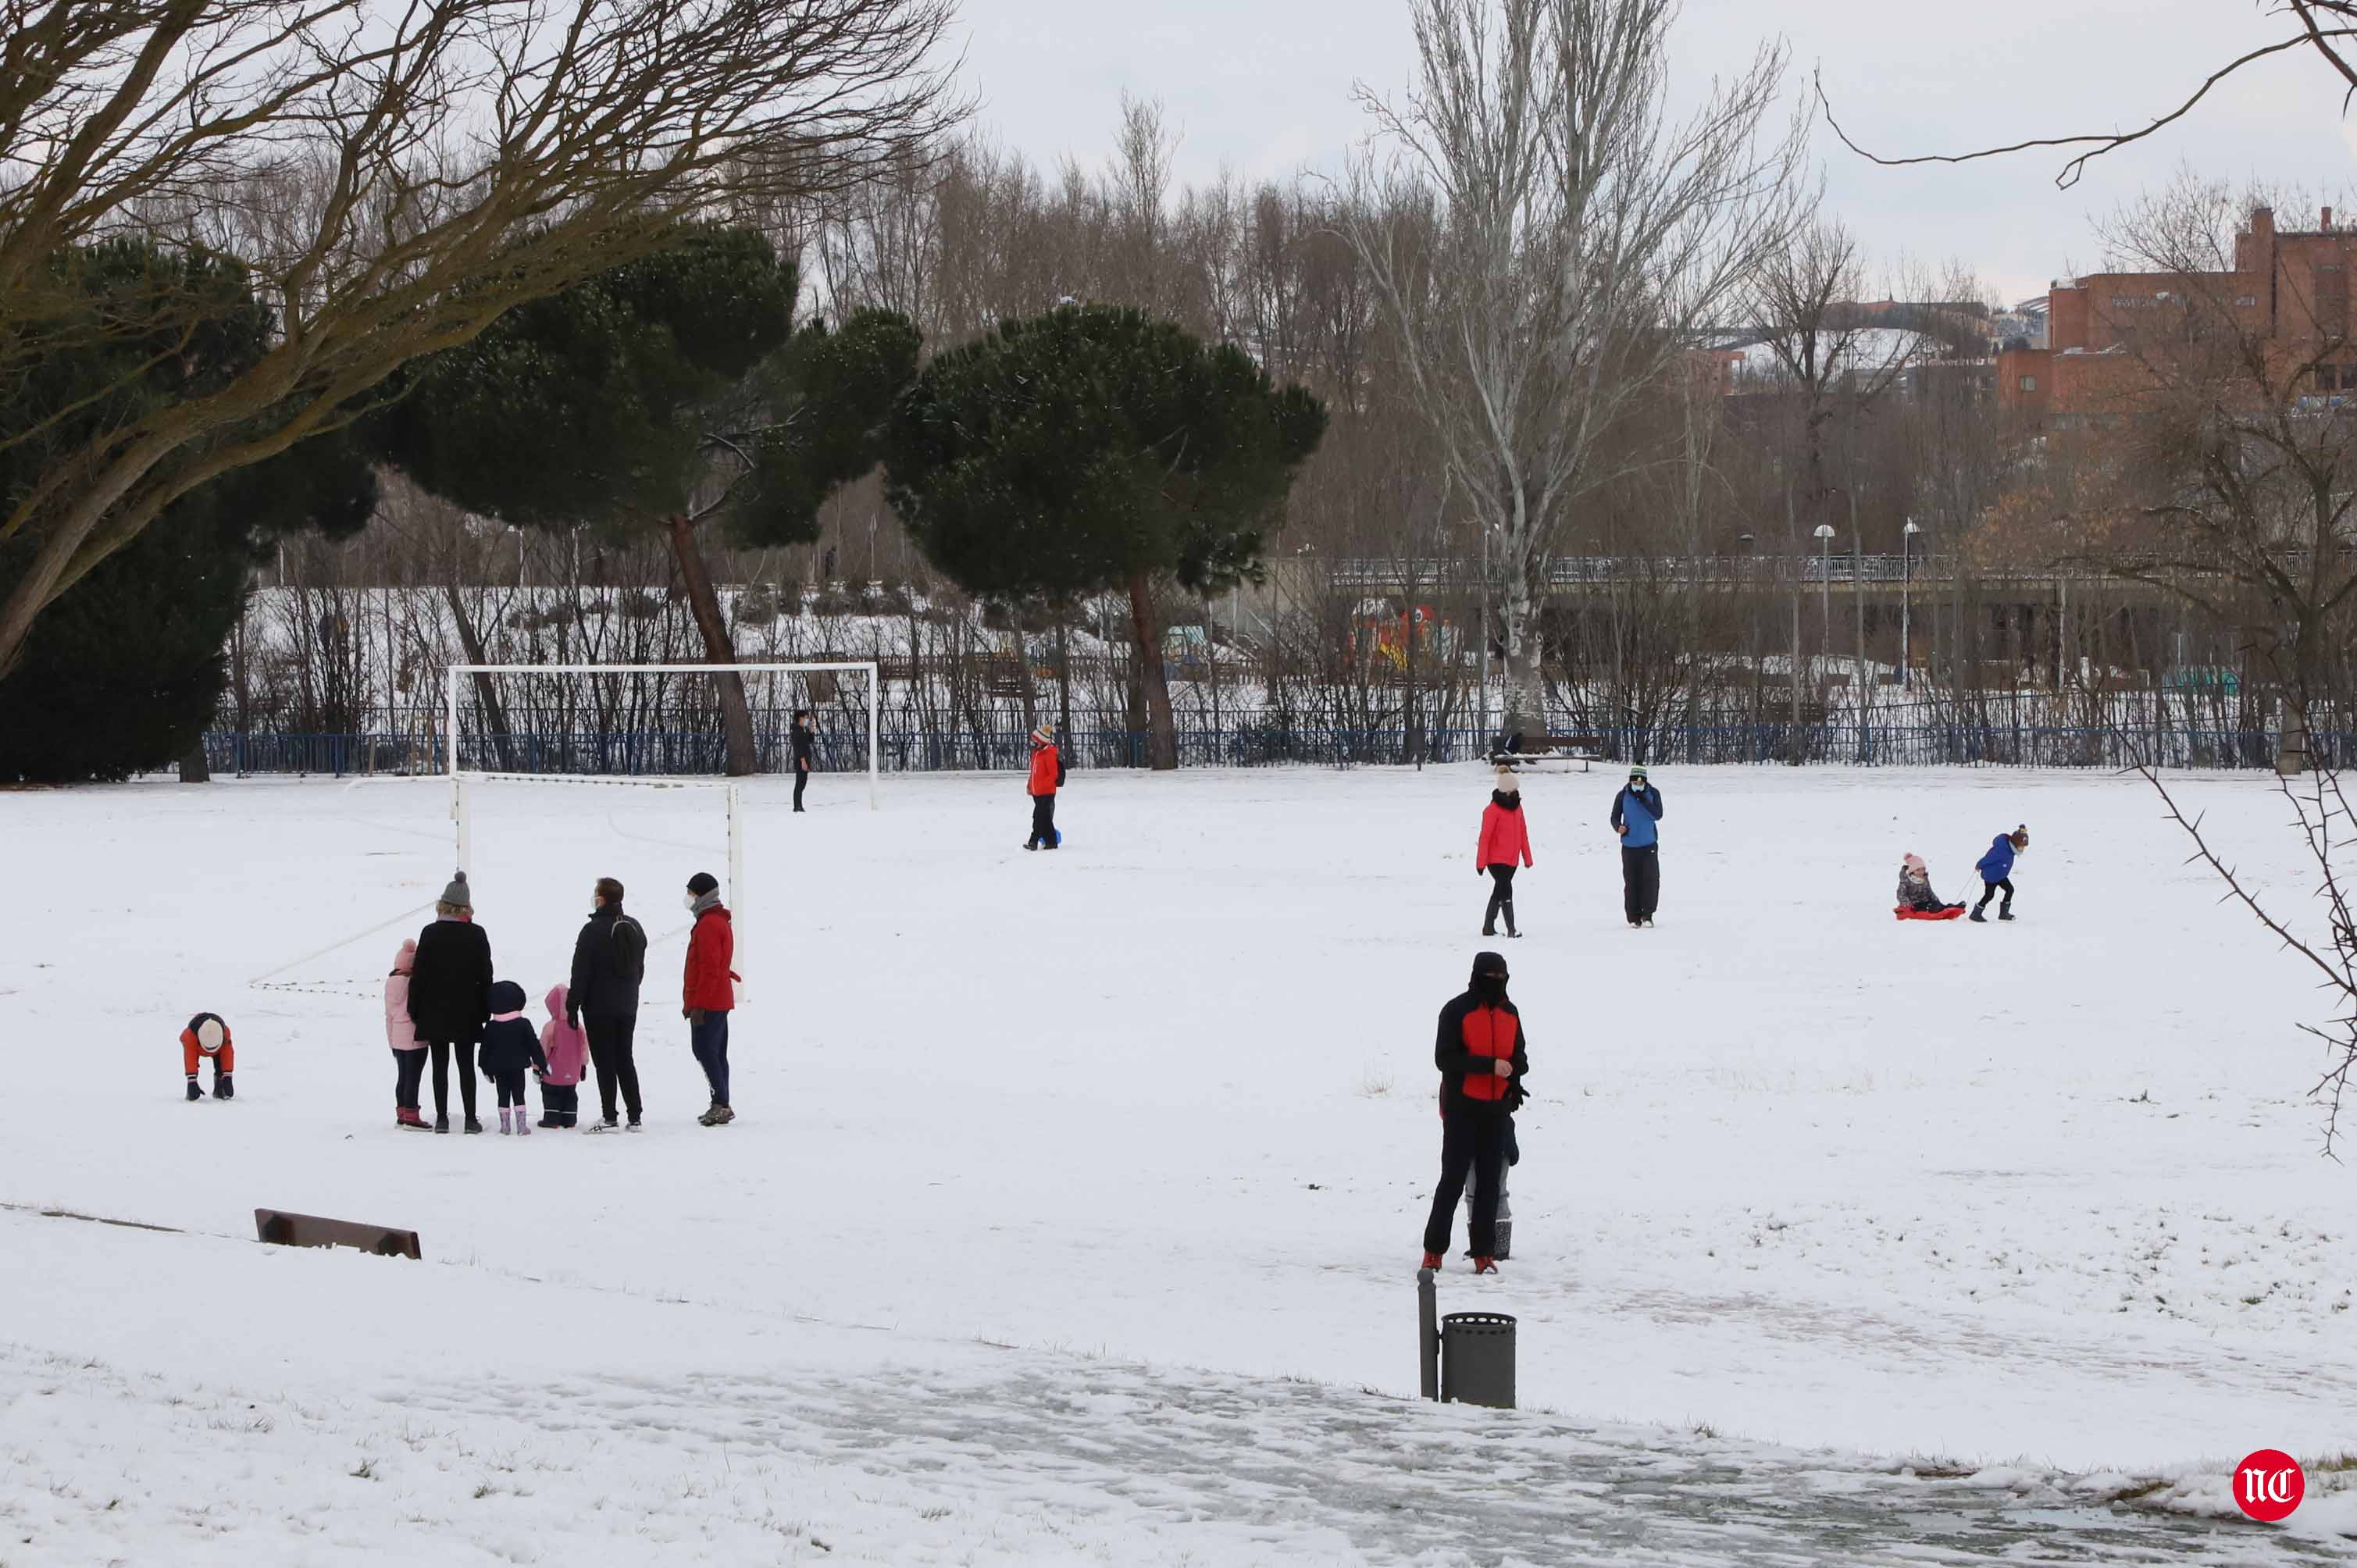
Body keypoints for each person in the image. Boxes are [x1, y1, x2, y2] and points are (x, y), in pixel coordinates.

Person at [1421, 952, 1528, 1274]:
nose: (1496, 982)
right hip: (1461, 1109)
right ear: (1477, 976)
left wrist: (1514, 1076)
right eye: (1490, 976)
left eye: (1501, 977)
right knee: (1452, 1181)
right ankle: (1434, 1251)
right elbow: (1445, 1059)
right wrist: (1489, 1066)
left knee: (1489, 1185)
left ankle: (1483, 1252)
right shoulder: (1457, 1010)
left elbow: (1520, 1054)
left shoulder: (1511, 1013)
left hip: (1496, 1111)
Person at [408, 871, 493, 1134]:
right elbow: (486, 975)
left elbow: (419, 975)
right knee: (466, 1065)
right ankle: (470, 1119)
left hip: (434, 1010)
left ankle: (442, 1118)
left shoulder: (430, 933)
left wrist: (415, 1008)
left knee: (439, 1065)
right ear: (466, 906)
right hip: (467, 1011)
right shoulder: (477, 934)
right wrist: (485, 1008)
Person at [568, 875, 647, 1133]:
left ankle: (610, 1115)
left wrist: (573, 1005)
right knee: (625, 1057)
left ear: (601, 899)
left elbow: (580, 972)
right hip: (627, 1005)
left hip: (598, 1007)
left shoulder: (591, 931)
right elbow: (639, 968)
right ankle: (634, 1116)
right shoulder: (635, 927)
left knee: (604, 1061)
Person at [683, 871, 740, 1126]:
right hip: (719, 998)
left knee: (705, 1050)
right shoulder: (718, 921)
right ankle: (721, 1101)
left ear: (702, 896)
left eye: (691, 893)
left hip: (710, 1001)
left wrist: (699, 1005)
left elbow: (709, 968)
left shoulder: (708, 925)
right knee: (716, 1053)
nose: (688, 898)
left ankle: (721, 1104)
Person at [476, 980, 547, 1136]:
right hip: (518, 1067)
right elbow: (534, 1046)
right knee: (519, 1094)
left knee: (502, 1095)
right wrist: (542, 1063)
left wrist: (484, 1068)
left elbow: (485, 1049)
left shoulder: (492, 1026)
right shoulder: (523, 1024)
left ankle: (505, 1126)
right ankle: (521, 1127)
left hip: (498, 1069)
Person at [1474, 768, 1533, 938]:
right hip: (1496, 860)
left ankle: (1488, 927)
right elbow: (1485, 837)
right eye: (1513, 789)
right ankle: (1511, 929)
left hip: (1512, 860)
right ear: (1506, 790)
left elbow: (1523, 834)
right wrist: (1481, 863)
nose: (1516, 792)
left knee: (1499, 891)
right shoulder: (1492, 810)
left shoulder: (1518, 809)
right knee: (1506, 889)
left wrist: (1527, 858)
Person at [1610, 764, 1665, 928]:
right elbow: (1614, 817)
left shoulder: (1653, 794)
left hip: (1649, 845)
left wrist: (1643, 800)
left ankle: (1647, 914)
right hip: (1629, 846)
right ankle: (1633, 917)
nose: (1638, 785)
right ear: (1630, 781)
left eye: (1641, 783)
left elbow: (1658, 814)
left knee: (1651, 880)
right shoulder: (1622, 795)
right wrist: (1618, 827)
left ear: (1646, 782)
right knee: (1632, 882)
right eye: (1635, 782)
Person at [386, 940, 429, 1130]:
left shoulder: (390, 983)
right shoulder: (414, 983)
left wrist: (391, 1041)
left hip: (396, 1036)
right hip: (413, 1037)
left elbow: (388, 1016)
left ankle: (402, 1113)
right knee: (414, 1077)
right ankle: (412, 1116)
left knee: (403, 1076)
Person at [537, 985, 587, 1129]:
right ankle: (569, 1118)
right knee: (570, 1094)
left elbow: (543, 1048)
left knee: (550, 1094)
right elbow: (584, 1048)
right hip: (572, 1072)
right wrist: (583, 1065)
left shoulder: (551, 1026)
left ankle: (552, 1119)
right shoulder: (578, 1026)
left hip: (552, 1072)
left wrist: (537, 1067)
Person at [1972, 825, 2030, 923]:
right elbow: (1989, 859)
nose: (2022, 849)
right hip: (1991, 876)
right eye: (2021, 846)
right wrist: (1979, 865)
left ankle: (2004, 914)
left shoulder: (2011, 850)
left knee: (2010, 890)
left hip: (2000, 875)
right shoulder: (2002, 850)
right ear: (2015, 844)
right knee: (1989, 895)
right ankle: (1976, 914)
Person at [1024, 724, 1064, 850]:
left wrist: (1041, 787)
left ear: (1041, 741)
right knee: (1045, 818)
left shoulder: (1048, 755)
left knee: (1038, 817)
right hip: (1037, 792)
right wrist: (1030, 785)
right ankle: (1051, 841)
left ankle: (1033, 841)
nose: (1033, 743)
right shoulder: (1036, 754)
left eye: (1035, 740)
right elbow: (1033, 773)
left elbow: (1053, 775)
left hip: (1046, 792)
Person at [180, 1012, 234, 1102]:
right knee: (192, 1086)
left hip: (219, 1050)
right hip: (195, 1047)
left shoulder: (225, 1034)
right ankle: (191, 1091)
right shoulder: (189, 1037)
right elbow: (190, 1059)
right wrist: (192, 1080)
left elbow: (227, 1055)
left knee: (221, 1067)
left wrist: (227, 1076)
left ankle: (220, 1089)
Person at [1895, 853, 1965, 917]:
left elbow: (1929, 891)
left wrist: (1936, 900)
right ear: (1912, 871)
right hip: (1915, 905)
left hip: (1927, 901)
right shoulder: (1906, 881)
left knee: (1939, 905)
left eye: (1923, 869)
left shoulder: (1924, 879)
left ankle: (1954, 908)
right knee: (1932, 907)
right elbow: (1901, 895)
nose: (1921, 872)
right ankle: (1943, 911)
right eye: (1918, 870)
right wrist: (1908, 904)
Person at [790, 709, 816, 813]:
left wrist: (811, 731)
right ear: (800, 719)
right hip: (801, 760)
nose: (807, 720)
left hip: (805, 759)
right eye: (805, 718)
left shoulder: (803, 730)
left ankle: (799, 805)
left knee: (803, 783)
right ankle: (797, 806)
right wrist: (803, 760)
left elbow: (810, 741)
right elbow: (798, 747)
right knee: (800, 783)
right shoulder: (797, 731)